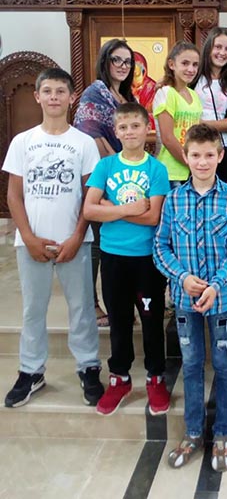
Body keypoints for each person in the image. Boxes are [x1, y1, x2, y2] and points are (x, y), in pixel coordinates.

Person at [3, 68, 103, 408]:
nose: (54, 97)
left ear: (72, 97)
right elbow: (14, 195)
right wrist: (28, 237)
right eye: (47, 91)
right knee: (33, 309)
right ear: (37, 96)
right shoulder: (23, 141)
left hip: (74, 241)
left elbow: (90, 195)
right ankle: (31, 370)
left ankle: (88, 366)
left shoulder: (83, 143)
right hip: (31, 242)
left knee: (82, 308)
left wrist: (77, 236)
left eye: (61, 91)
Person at [153, 124, 227, 472]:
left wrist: (215, 285)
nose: (203, 162)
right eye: (196, 155)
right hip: (184, 299)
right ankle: (193, 431)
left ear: (220, 156)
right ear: (186, 156)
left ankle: (222, 432)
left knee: (223, 365)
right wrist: (183, 277)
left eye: (209, 155)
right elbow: (160, 247)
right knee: (191, 364)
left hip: (220, 300)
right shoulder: (174, 199)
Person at [83, 103, 171, 416]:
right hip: (113, 257)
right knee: (119, 320)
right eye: (123, 127)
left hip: (146, 258)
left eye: (135, 126)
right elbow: (89, 210)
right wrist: (128, 209)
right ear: (116, 131)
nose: (130, 132)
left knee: (151, 320)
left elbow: (153, 217)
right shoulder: (106, 167)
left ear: (147, 129)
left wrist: (111, 209)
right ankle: (119, 378)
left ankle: (155, 377)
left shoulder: (156, 169)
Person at [74, 37, 137, 327]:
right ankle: (91, 305)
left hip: (127, 177)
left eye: (128, 61)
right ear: (105, 61)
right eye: (117, 60)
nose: (123, 66)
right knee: (97, 244)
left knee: (121, 239)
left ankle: (127, 301)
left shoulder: (125, 96)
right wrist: (117, 165)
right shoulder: (95, 92)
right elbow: (92, 135)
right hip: (101, 176)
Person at [192, 27, 227, 181]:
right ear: (208, 48)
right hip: (194, 146)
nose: (222, 53)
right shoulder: (193, 77)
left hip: (223, 149)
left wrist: (201, 124)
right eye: (218, 47)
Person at [153, 41, 202, 186]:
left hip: (191, 170)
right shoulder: (166, 93)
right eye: (185, 63)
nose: (190, 69)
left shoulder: (194, 95)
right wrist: (190, 162)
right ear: (172, 64)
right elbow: (167, 138)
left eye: (195, 65)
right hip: (170, 171)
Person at [131, 51, 157, 127]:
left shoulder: (152, 87)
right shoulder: (124, 86)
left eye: (135, 65)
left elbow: (156, 114)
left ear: (143, 69)